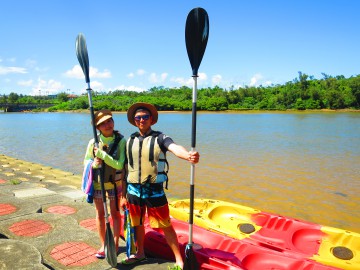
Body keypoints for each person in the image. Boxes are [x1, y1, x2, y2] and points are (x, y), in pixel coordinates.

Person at [120, 102, 200, 270]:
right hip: (133, 190)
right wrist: (122, 195)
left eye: (145, 117)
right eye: (138, 118)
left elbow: (174, 148)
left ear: (152, 120)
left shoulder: (161, 138)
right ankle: (140, 253)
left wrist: (188, 156)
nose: (142, 120)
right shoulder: (130, 140)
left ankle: (178, 259)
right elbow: (124, 168)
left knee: (165, 225)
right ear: (135, 121)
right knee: (137, 223)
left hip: (154, 191)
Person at [83, 109, 126, 259]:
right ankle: (103, 244)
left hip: (115, 184)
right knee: (100, 214)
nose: (107, 125)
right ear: (98, 128)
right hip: (98, 184)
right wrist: (93, 164)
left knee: (115, 214)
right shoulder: (93, 142)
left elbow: (120, 165)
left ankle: (114, 243)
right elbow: (86, 161)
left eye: (109, 121)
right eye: (102, 123)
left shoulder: (121, 141)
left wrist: (103, 155)